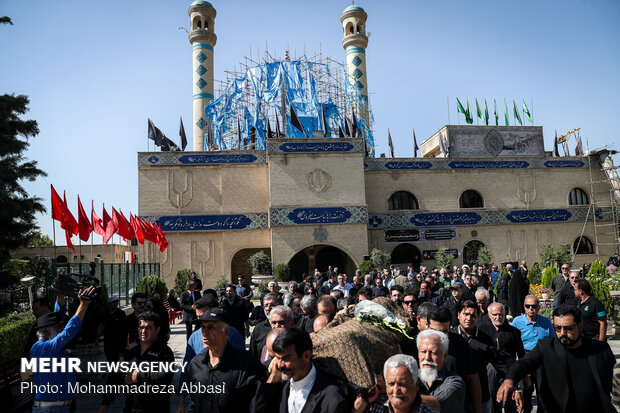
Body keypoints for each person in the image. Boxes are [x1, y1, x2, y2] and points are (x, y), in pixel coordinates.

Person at [497, 305, 617, 413]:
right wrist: (509, 379)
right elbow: (523, 363)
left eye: (568, 328)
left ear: (580, 327)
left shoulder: (600, 349)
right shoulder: (545, 348)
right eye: (558, 328)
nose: (562, 333)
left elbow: (615, 379)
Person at [30, 286, 97, 412]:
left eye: (61, 326)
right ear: (45, 330)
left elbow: (59, 316)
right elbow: (69, 330)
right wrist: (83, 304)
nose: (61, 329)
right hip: (50, 409)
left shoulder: (50, 344)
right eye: (58, 327)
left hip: (60, 407)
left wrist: (61, 295)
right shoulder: (41, 348)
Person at [187, 308, 267, 412]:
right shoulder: (196, 364)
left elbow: (257, 404)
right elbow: (195, 402)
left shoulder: (246, 364)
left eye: (211, 327)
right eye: (203, 327)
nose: (204, 333)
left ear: (227, 331)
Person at [254, 328, 351, 412]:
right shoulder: (280, 384)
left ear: (306, 356)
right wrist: (272, 379)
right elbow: (257, 409)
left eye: (286, 358)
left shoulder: (331, 398)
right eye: (277, 358)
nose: (280, 365)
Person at [176, 296, 245, 413]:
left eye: (205, 317)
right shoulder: (194, 338)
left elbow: (243, 369)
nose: (203, 323)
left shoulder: (233, 335)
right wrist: (182, 399)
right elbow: (186, 368)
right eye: (199, 318)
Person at [99, 311, 175, 413]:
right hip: (131, 408)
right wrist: (105, 403)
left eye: (148, 328)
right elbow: (116, 376)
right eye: (141, 327)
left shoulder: (165, 352)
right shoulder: (131, 349)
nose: (143, 331)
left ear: (157, 330)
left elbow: (165, 377)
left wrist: (139, 375)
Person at [511, 295, 555, 413]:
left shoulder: (545, 322)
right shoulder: (517, 321)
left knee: (543, 390)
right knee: (525, 390)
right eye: (528, 306)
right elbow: (512, 343)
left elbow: (553, 341)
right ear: (524, 307)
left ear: (539, 307)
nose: (531, 309)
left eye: (534, 306)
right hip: (525, 357)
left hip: (541, 358)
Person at [354, 354, 439, 413]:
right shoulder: (373, 408)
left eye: (402, 384)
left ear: (416, 384)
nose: (396, 390)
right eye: (391, 384)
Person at [451, 300, 494, 413]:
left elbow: (499, 362)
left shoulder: (486, 339)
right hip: (456, 397)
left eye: (473, 315)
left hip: (481, 396)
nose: (469, 318)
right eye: (466, 314)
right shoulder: (450, 337)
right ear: (458, 315)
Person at [485, 302, 524, 413]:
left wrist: (524, 379)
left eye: (501, 314)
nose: (498, 317)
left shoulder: (514, 332)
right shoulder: (483, 331)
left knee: (512, 406)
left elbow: (521, 355)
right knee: (493, 405)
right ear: (489, 315)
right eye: (495, 314)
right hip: (491, 373)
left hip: (509, 373)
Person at [417, 329, 466, 413]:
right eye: (423, 352)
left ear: (445, 355)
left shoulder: (455, 382)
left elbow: (435, 403)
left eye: (433, 353)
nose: (427, 358)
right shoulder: (411, 377)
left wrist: (402, 397)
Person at [250, 292, 280, 361]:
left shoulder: (287, 326)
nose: (268, 308)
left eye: (272, 305)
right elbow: (252, 355)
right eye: (266, 305)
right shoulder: (258, 329)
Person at [102, 295, 126, 362]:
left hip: (118, 341)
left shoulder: (121, 313)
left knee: (117, 359)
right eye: (113, 302)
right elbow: (102, 325)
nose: (115, 304)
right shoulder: (105, 313)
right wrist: (96, 338)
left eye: (116, 302)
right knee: (109, 358)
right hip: (108, 341)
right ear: (109, 303)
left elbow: (124, 328)